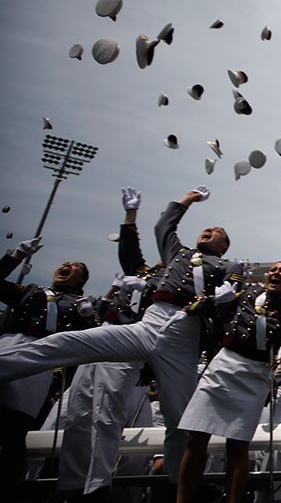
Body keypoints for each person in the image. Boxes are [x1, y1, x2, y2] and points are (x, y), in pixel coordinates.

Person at [0, 187, 242, 486]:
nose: (210, 230)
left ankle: (178, 497)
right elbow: (163, 224)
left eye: (218, 231)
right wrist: (188, 199)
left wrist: (225, 298)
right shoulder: (177, 253)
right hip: (152, 321)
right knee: (65, 343)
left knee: (179, 421)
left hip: (184, 332)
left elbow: (233, 298)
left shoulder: (228, 265)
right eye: (208, 227)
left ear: (224, 245)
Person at [162, 260, 281, 503]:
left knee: (237, 446)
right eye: (274, 269)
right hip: (223, 364)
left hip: (254, 375)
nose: (275, 273)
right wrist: (196, 306)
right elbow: (208, 309)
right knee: (195, 438)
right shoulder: (244, 296)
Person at [54, 187, 159, 503]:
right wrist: (130, 217)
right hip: (102, 340)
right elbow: (131, 253)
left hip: (126, 347)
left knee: (104, 422)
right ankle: (70, 495)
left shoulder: (169, 285)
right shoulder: (143, 273)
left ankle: (93, 501)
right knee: (78, 417)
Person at [0, 236, 95, 503]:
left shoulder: (81, 305)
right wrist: (15, 256)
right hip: (7, 345)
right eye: (65, 263)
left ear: (82, 280)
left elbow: (90, 342)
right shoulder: (30, 291)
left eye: (75, 267)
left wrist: (91, 317)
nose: (66, 266)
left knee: (13, 428)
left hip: (41, 359)